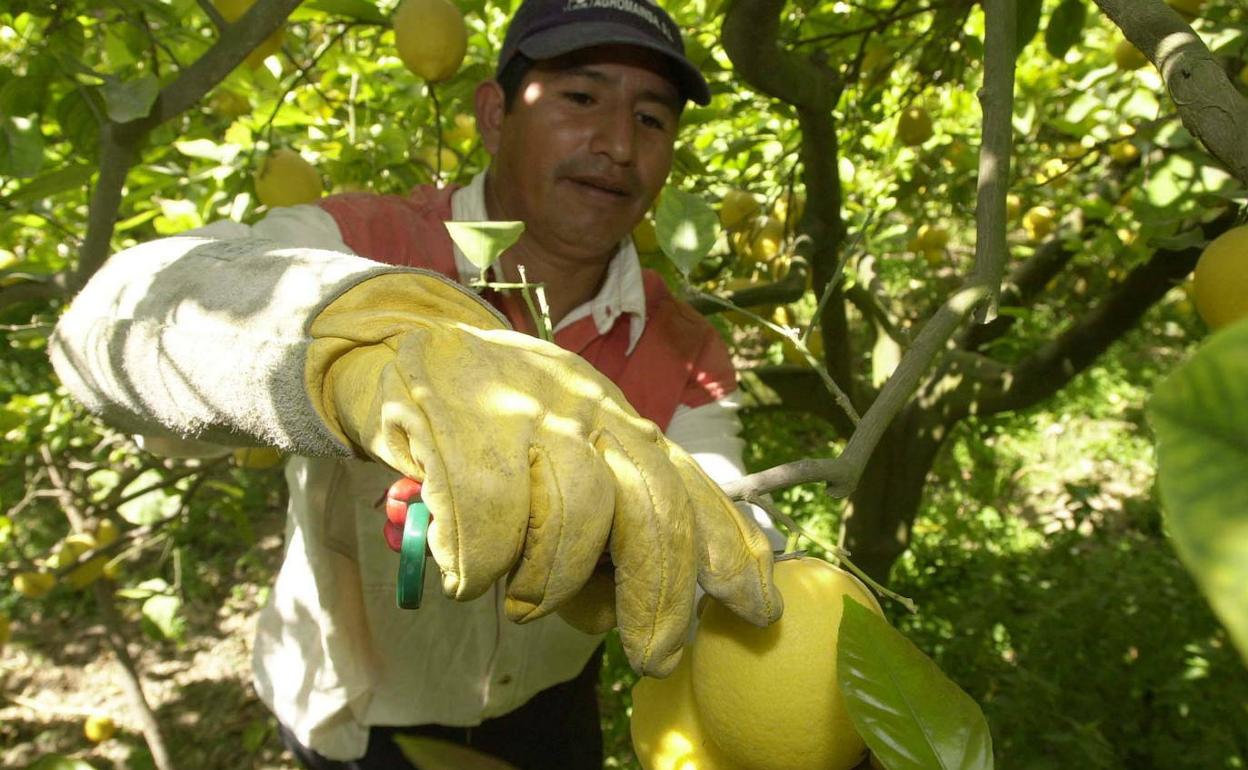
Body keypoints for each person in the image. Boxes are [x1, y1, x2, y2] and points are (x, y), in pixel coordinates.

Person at [48, 1, 785, 767]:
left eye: (653, 118)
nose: (617, 145)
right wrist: (355, 346)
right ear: (496, 115)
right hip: (351, 717)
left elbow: (727, 535)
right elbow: (115, 320)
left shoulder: (686, 349)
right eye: (580, 97)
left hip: (548, 712)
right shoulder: (366, 247)